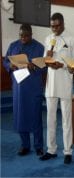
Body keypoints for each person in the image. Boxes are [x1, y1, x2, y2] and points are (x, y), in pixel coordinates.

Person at [39, 12, 74, 164]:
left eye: (57, 26)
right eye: (52, 26)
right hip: (51, 84)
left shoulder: (72, 38)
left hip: (65, 82)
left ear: (62, 24)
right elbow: (44, 61)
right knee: (50, 118)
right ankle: (51, 149)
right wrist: (47, 57)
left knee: (66, 119)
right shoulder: (48, 38)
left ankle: (68, 151)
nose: (54, 29)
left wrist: (62, 65)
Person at [3, 24, 45, 156]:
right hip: (19, 88)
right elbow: (5, 61)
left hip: (33, 88)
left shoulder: (39, 47)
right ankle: (25, 145)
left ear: (31, 35)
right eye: (21, 35)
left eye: (26, 36)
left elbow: (44, 66)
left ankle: (38, 146)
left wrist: (34, 66)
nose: (23, 38)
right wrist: (10, 65)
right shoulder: (13, 46)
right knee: (21, 116)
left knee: (35, 117)